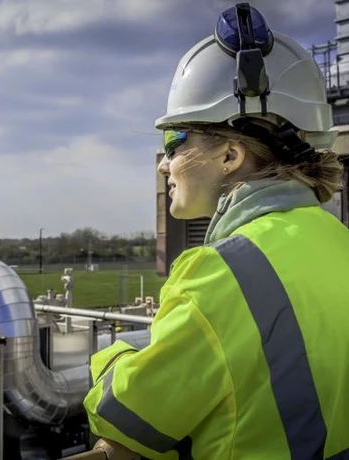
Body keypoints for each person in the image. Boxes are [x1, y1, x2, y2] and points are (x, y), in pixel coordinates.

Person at [83, 3, 349, 459]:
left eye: (174, 142)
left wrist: (112, 357)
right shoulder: (336, 240)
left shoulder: (220, 273)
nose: (165, 163)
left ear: (230, 156)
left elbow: (127, 417)